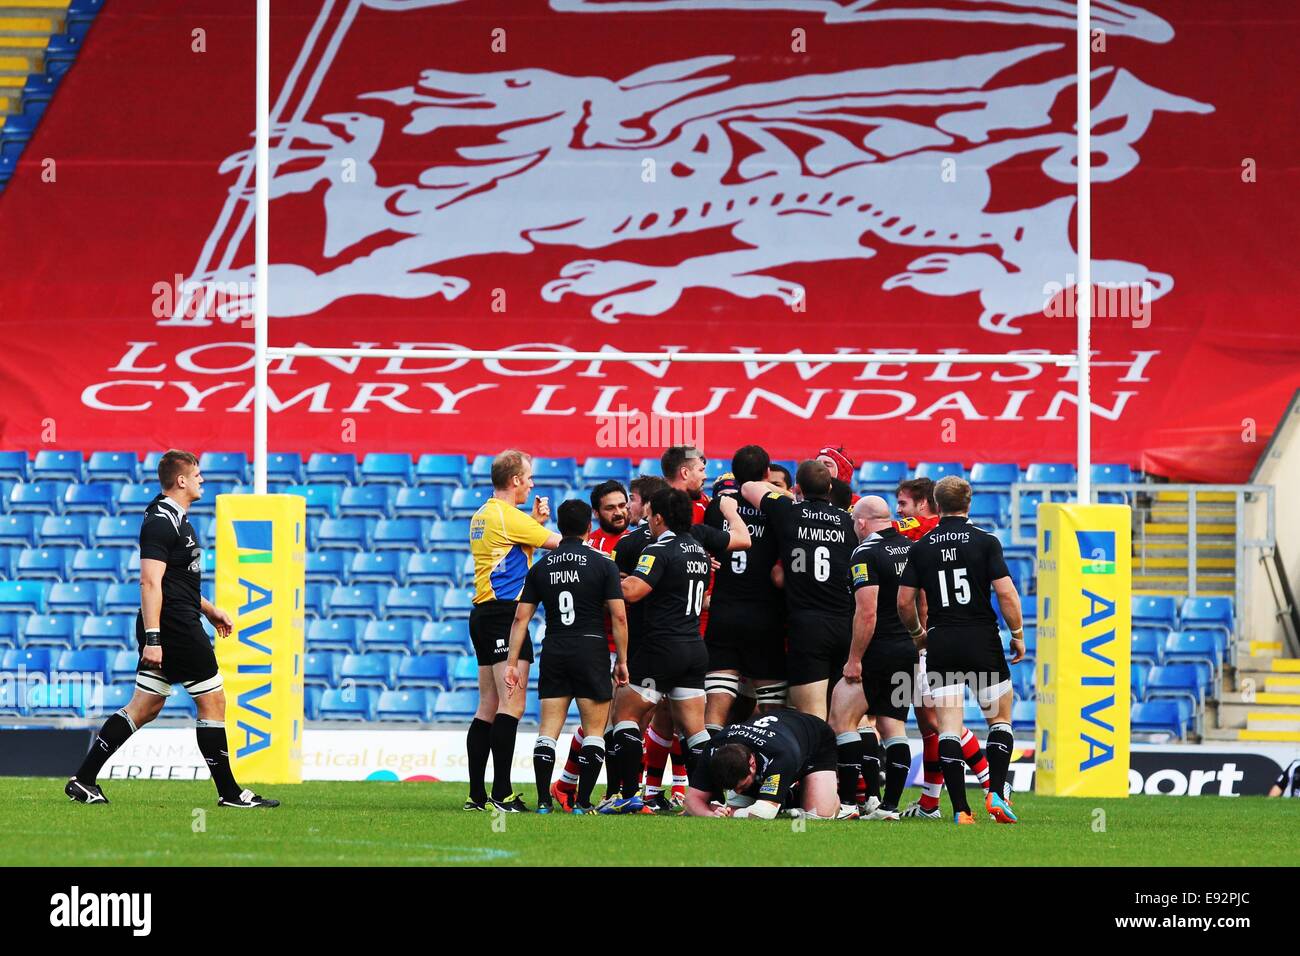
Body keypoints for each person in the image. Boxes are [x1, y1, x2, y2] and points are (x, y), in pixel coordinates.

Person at [65, 450, 277, 808]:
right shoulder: (161, 521)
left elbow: (177, 581)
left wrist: (209, 611)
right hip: (173, 627)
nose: (202, 480)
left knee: (145, 706)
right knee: (212, 701)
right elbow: (150, 582)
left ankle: (83, 780)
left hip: (178, 619)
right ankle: (230, 793)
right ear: (181, 480)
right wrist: (153, 639)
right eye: (197, 475)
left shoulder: (177, 519)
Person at [603, 488, 749, 813]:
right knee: (694, 731)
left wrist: (609, 573)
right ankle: (710, 799)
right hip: (694, 648)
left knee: (625, 716)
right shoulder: (699, 550)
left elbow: (634, 592)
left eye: (650, 515)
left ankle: (627, 796)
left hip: (661, 647)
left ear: (658, 518)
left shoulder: (659, 549)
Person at [897, 475, 1024, 825]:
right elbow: (1008, 594)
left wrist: (918, 634)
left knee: (949, 727)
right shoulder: (985, 541)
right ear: (969, 504)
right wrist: (1017, 634)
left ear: (936, 506)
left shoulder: (921, 546)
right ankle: (996, 792)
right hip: (981, 638)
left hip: (942, 640)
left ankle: (961, 810)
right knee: (998, 719)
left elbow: (904, 602)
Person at [504, 499, 629, 813]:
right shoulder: (604, 564)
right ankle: (583, 802)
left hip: (556, 647)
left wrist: (511, 663)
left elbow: (521, 619)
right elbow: (619, 617)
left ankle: (544, 801)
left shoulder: (541, 566)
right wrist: (623, 661)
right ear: (590, 527)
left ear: (559, 527)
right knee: (595, 731)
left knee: (548, 730)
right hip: (591, 648)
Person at [465, 450, 561, 812]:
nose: (533, 483)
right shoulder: (507, 517)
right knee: (513, 704)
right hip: (505, 616)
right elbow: (557, 543)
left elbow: (511, 553)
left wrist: (532, 522)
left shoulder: (484, 514)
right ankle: (502, 795)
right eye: (530, 477)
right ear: (516, 480)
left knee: (487, 705)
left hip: (483, 614)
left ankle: (477, 795)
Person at [742, 460, 856, 719]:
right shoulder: (849, 521)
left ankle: (819, 761)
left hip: (807, 626)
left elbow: (748, 487)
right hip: (844, 624)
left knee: (813, 717)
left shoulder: (788, 510)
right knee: (844, 719)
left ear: (798, 487)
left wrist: (788, 495)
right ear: (829, 487)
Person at [828, 496, 916, 820]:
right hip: (906, 649)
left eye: (855, 523)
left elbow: (867, 612)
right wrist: (918, 638)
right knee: (894, 726)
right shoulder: (910, 548)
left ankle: (850, 804)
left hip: (877, 649)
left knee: (841, 718)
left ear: (862, 522)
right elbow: (918, 602)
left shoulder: (865, 552)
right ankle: (889, 807)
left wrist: (854, 659)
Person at [549, 478, 630, 811]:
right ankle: (601, 790)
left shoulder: (639, 539)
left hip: (634, 640)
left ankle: (569, 785)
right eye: (610, 508)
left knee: (620, 721)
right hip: (601, 642)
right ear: (596, 514)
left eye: (623, 505)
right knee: (604, 722)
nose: (619, 512)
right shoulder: (590, 546)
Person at [703, 445, 788, 734]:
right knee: (773, 711)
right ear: (766, 473)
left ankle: (705, 771)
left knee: (715, 710)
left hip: (723, 612)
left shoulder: (717, 508)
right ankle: (771, 771)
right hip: (766, 616)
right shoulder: (777, 510)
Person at [683, 711, 844, 819]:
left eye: (741, 785)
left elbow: (764, 813)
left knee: (817, 815)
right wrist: (709, 815)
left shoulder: (780, 755)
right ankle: (785, 795)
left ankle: (827, 797)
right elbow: (692, 799)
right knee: (744, 806)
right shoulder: (714, 748)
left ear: (752, 764)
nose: (736, 791)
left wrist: (732, 813)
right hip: (781, 735)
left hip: (815, 740)